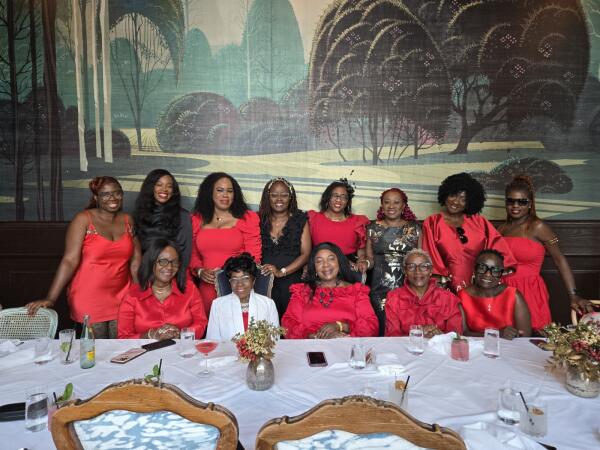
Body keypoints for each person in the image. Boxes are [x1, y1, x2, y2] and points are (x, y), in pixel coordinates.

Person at [26, 177, 140, 339]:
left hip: (123, 294)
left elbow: (135, 259)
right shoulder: (83, 220)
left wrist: (137, 292)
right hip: (89, 296)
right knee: (97, 348)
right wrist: (51, 298)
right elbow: (69, 261)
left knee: (121, 344)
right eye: (106, 194)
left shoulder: (128, 220)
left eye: (117, 193)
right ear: (96, 197)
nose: (113, 198)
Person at [498, 175, 593, 330]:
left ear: (530, 204)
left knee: (531, 337)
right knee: (505, 336)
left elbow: (560, 260)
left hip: (529, 290)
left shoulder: (538, 227)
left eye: (522, 201)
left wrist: (573, 295)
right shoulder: (502, 229)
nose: (515, 205)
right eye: (511, 201)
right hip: (503, 290)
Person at [422, 172, 517, 292]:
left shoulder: (479, 222)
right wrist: (442, 283)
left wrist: (489, 275)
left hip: (480, 285)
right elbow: (429, 256)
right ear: (446, 194)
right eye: (453, 195)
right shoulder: (432, 223)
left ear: (470, 202)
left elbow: (498, 249)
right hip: (447, 287)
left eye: (463, 199)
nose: (456, 202)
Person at [190, 172, 261, 315]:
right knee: (210, 325)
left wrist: (236, 277)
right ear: (210, 193)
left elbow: (254, 258)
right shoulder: (197, 219)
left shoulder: (247, 218)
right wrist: (199, 271)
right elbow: (192, 253)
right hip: (207, 287)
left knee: (237, 325)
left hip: (237, 287)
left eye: (229, 191)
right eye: (220, 190)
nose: (225, 195)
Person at [282, 242, 378, 339]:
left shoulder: (356, 291)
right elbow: (287, 324)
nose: (326, 265)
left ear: (339, 263)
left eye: (331, 259)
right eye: (319, 261)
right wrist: (314, 337)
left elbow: (371, 326)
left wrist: (341, 326)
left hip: (347, 345)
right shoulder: (302, 292)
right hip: (310, 345)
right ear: (314, 267)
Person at [118, 239, 207, 339]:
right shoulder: (132, 295)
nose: (169, 267)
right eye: (163, 261)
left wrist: (181, 334)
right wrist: (150, 335)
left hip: (182, 347)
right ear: (151, 261)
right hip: (145, 349)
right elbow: (124, 337)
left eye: (174, 262)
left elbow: (201, 322)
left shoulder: (189, 289)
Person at [366, 188, 421, 335]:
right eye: (387, 202)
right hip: (379, 288)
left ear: (403, 206)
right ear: (382, 205)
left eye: (396, 202)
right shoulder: (372, 228)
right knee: (383, 327)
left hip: (408, 287)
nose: (391, 206)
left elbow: (420, 258)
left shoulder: (414, 228)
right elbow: (370, 259)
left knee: (407, 327)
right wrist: (364, 264)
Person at [258, 177, 311, 318]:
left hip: (292, 281)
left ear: (290, 197)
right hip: (264, 282)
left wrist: (282, 272)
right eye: (274, 195)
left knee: (291, 322)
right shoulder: (258, 220)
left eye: (284, 195)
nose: (279, 199)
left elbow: (306, 254)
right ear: (268, 197)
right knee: (266, 323)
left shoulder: (300, 220)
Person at [133, 169, 192, 289]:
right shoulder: (139, 214)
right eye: (159, 185)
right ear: (151, 188)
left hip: (170, 277)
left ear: (173, 191)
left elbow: (184, 253)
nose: (164, 189)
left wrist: (176, 280)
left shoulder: (182, 216)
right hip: (144, 277)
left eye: (169, 186)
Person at [385, 249, 463, 337]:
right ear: (405, 271)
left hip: (440, 346)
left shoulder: (449, 299)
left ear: (431, 270)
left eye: (423, 266)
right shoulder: (394, 298)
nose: (417, 271)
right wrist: (417, 333)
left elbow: (456, 336)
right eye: (411, 266)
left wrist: (440, 335)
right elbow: (391, 337)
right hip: (406, 346)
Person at [459, 249, 531, 339]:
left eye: (495, 270)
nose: (488, 274)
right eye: (482, 268)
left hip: (508, 346)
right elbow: (462, 333)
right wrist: (497, 334)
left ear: (501, 274)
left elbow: (524, 336)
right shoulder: (463, 296)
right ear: (474, 269)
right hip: (474, 346)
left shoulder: (513, 295)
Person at [206, 253, 279, 341]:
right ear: (230, 282)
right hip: (227, 350)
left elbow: (275, 339)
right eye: (234, 279)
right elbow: (213, 340)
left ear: (253, 281)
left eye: (245, 278)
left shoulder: (268, 304)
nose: (240, 284)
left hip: (261, 350)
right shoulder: (218, 305)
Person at [307, 179, 370, 274]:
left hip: (348, 270)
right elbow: (306, 249)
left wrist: (360, 262)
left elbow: (361, 252)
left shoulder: (357, 222)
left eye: (344, 197)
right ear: (327, 197)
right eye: (335, 195)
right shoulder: (313, 219)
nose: (339, 200)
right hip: (320, 270)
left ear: (348, 201)